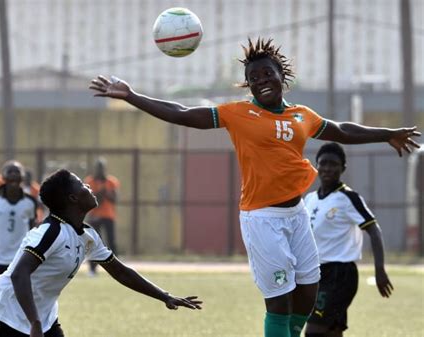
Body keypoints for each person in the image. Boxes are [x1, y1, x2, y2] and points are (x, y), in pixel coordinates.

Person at [89, 36, 420, 337]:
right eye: (254, 78)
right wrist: (131, 96)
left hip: (296, 215)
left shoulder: (302, 115)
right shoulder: (238, 114)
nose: (261, 81)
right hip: (262, 218)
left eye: (267, 74)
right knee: (278, 303)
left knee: (308, 291)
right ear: (248, 85)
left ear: (281, 77)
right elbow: (183, 113)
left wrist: (386, 133)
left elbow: (342, 130)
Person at [0, 169, 202, 337]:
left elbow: (120, 272)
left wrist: (164, 296)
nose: (88, 185)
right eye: (81, 184)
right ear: (72, 198)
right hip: (6, 318)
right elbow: (19, 274)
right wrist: (34, 322)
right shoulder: (50, 232)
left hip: (43, 320)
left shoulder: (87, 235)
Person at [304, 143, 393, 337]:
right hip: (317, 273)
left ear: (343, 168)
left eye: (333, 164)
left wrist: (380, 270)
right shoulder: (310, 199)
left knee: (314, 331)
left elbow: (374, 230)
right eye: (323, 163)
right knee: (333, 331)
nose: (327, 168)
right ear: (316, 166)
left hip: (340, 274)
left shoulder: (348, 198)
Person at [0, 160, 38, 286]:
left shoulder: (30, 202)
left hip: (19, 258)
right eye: (9, 171)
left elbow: (34, 232)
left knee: (18, 293)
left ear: (22, 177)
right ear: (3, 177)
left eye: (17, 171)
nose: (13, 174)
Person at [84, 157, 120, 276]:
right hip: (94, 216)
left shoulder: (111, 181)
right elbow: (90, 200)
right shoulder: (89, 181)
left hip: (108, 215)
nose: (100, 170)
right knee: (94, 242)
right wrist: (100, 193)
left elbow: (115, 199)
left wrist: (107, 193)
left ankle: (116, 269)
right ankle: (92, 268)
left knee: (111, 241)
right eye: (98, 168)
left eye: (102, 167)